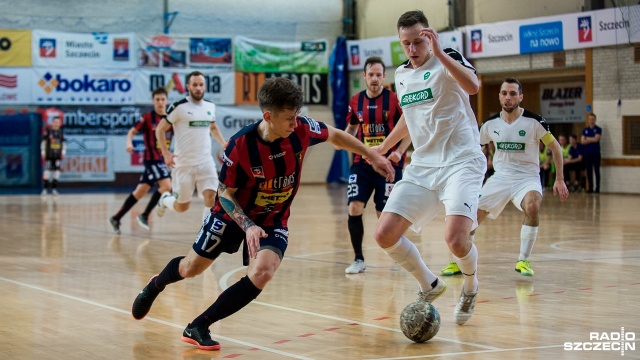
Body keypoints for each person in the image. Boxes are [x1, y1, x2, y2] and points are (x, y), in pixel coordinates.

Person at [131, 77, 395, 350]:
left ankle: (199, 325)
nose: (295, 124)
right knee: (190, 268)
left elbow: (336, 135)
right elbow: (224, 193)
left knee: (263, 272)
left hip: (273, 218)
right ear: (268, 116)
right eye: (289, 119)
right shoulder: (240, 146)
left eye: (297, 116)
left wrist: (371, 155)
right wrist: (247, 225)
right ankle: (154, 286)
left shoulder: (302, 128)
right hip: (231, 215)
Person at [372, 10, 486, 326]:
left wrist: (439, 55)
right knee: (384, 233)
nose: (412, 49)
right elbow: (410, 118)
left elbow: (473, 86)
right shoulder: (401, 75)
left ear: (429, 36)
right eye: (406, 43)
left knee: (456, 240)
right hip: (423, 166)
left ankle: (472, 285)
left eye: (418, 41)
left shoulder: (447, 57)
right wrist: (383, 148)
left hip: (462, 161)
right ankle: (429, 284)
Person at [440, 77, 569, 279]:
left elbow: (556, 148)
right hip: (500, 178)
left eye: (512, 94)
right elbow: (474, 150)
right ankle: (458, 261)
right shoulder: (490, 125)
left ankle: (523, 260)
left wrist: (559, 179)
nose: (508, 98)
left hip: (527, 178)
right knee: (469, 217)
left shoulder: (534, 122)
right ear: (500, 96)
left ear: (520, 97)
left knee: (533, 206)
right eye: (504, 93)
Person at [343, 56, 410, 274]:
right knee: (354, 207)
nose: (374, 78)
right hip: (362, 164)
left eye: (378, 75)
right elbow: (352, 129)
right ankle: (358, 259)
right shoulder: (355, 101)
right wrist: (342, 139)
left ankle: (398, 258)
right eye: (371, 74)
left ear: (384, 77)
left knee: (386, 216)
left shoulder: (394, 100)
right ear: (364, 76)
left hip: (389, 166)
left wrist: (399, 152)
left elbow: (408, 128)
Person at [155, 71, 227, 222]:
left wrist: (224, 144)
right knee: (182, 207)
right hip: (183, 164)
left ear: (205, 86)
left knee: (212, 196)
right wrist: (166, 154)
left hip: (205, 162)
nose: (198, 88)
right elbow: (160, 129)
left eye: (201, 85)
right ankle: (165, 200)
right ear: (188, 86)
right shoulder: (179, 107)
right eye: (195, 85)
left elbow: (213, 128)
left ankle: (205, 235)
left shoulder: (210, 106)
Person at [109, 87, 173, 235]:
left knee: (140, 192)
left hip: (162, 160)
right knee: (166, 185)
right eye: (157, 100)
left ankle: (116, 218)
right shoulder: (147, 117)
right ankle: (144, 215)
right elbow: (132, 131)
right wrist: (129, 143)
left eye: (163, 99)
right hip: (152, 160)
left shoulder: (171, 118)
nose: (160, 102)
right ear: (153, 101)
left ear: (167, 101)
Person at [41, 116, 65, 196]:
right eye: (55, 122)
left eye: (58, 122)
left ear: (60, 123)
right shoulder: (48, 132)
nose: (56, 124)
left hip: (57, 155)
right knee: (47, 171)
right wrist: (43, 152)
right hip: (49, 155)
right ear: (53, 122)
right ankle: (44, 189)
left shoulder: (61, 133)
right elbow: (43, 143)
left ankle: (54, 189)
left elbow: (64, 144)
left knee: (57, 172)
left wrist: (63, 152)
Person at [581, 113, 602, 193]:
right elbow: (582, 141)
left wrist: (587, 138)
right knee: (588, 171)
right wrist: (591, 139)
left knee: (596, 170)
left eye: (593, 119)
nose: (591, 121)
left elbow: (596, 139)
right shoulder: (585, 130)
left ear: (595, 120)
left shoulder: (598, 129)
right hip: (587, 153)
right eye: (590, 119)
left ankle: (597, 188)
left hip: (596, 153)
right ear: (588, 120)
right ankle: (590, 188)